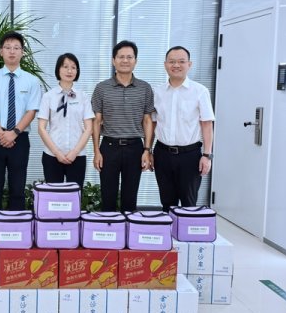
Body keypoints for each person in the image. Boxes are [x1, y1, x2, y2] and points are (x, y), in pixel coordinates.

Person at [0, 31, 42, 210]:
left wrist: (13, 133)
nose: (12, 51)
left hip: (19, 139)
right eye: (7, 47)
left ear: (22, 52)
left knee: (18, 188)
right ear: (1, 52)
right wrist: (1, 134)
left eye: (16, 48)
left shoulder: (32, 81)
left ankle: (16, 225)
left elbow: (31, 111)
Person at [91, 40, 154, 212]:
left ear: (135, 61)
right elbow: (96, 121)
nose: (125, 60)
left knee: (130, 198)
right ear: (113, 60)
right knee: (108, 196)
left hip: (135, 148)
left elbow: (147, 120)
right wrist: (96, 151)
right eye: (121, 57)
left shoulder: (145, 88)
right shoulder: (102, 88)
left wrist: (147, 150)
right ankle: (109, 227)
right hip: (109, 147)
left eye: (129, 57)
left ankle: (128, 228)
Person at [152, 46, 215, 211]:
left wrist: (207, 155)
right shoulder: (157, 92)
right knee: (167, 201)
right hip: (162, 154)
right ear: (165, 64)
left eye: (181, 61)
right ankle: (169, 228)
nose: (176, 65)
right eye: (172, 61)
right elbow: (152, 123)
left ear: (189, 64)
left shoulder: (200, 91)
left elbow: (207, 124)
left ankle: (187, 229)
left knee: (189, 203)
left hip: (190, 156)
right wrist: (148, 150)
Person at [38, 53, 94, 189]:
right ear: (58, 69)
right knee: (53, 196)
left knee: (74, 195)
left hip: (77, 156)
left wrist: (75, 152)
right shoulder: (48, 96)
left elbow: (89, 128)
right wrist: (57, 152)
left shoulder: (83, 97)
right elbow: (41, 128)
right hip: (52, 155)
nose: (69, 71)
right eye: (65, 67)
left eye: (73, 67)